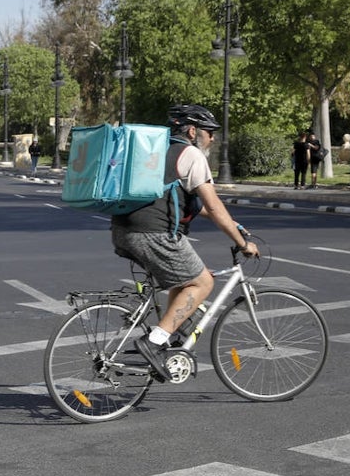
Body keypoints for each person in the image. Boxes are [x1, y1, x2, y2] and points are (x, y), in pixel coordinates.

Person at [110, 104, 258, 379]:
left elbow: (181, 200)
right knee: (203, 282)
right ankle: (154, 342)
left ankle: (166, 340)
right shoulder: (190, 154)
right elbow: (213, 207)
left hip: (123, 229)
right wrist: (241, 243)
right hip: (153, 234)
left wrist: (234, 223)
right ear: (193, 131)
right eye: (209, 132)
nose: (213, 138)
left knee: (185, 278)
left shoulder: (157, 150)